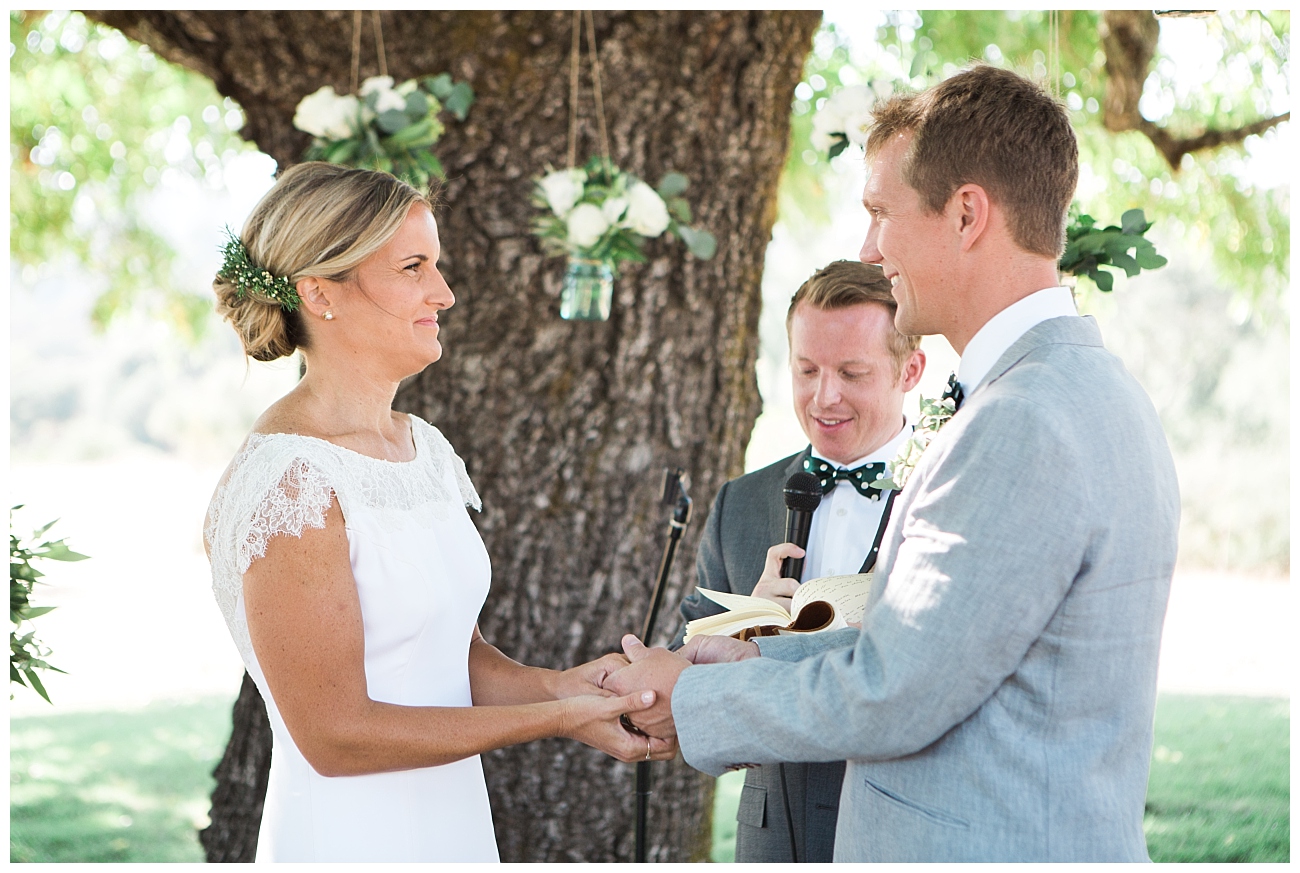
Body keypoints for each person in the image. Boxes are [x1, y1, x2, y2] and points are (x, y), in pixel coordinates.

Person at [606, 64, 1180, 862]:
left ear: (966, 214)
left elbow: (896, 691)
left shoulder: (1019, 420)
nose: (870, 249)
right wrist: (756, 650)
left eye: (881, 212)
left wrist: (697, 695)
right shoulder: (1092, 387)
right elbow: (938, 647)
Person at [202, 162, 673, 863]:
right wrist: (556, 718)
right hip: (353, 839)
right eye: (413, 267)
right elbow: (334, 736)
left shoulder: (422, 448)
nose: (444, 293)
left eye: (436, 265)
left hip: (452, 825)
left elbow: (456, 658)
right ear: (319, 292)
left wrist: (567, 686)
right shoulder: (291, 482)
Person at [670, 260, 923, 862]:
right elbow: (681, 667)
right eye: (807, 370)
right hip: (772, 840)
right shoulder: (740, 503)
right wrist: (747, 624)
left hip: (901, 833)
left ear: (909, 370)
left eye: (852, 373)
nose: (823, 396)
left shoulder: (948, 492)